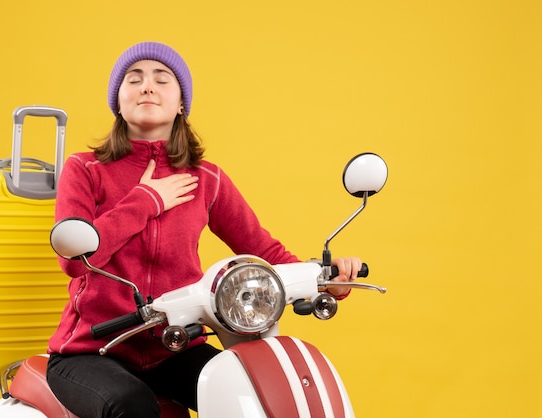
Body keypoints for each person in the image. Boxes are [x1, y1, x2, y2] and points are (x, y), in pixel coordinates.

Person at [46, 41, 362, 418]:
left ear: (181, 103)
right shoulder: (84, 170)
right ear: (119, 100)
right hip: (90, 351)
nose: (147, 86)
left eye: (162, 79)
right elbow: (76, 261)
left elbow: (261, 248)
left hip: (175, 345)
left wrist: (325, 280)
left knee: (254, 391)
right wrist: (146, 200)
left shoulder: (205, 178)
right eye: (135, 79)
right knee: (131, 405)